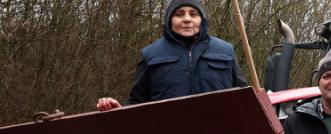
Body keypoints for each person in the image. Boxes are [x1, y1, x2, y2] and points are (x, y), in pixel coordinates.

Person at [97, 0, 247, 111]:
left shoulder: (225, 51)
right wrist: (119, 110)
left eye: (193, 14)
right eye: (179, 14)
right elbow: (137, 103)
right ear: (169, 20)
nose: (187, 19)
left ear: (202, 20)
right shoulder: (151, 54)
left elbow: (244, 98)